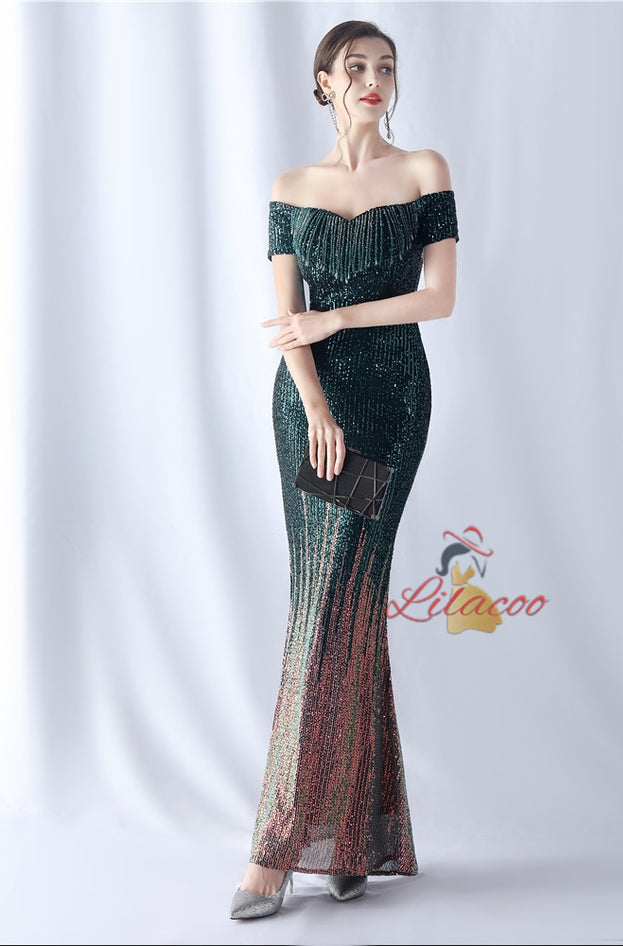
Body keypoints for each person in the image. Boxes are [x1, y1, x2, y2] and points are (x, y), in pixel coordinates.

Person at [229, 19, 458, 920]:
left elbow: (439, 298)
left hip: (395, 402)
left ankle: (288, 846)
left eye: (385, 67)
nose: (373, 78)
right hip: (311, 412)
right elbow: (288, 322)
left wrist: (340, 319)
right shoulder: (291, 188)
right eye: (355, 66)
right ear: (323, 80)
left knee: (350, 600)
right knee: (323, 603)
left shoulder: (424, 170)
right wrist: (317, 406)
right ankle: (335, 836)